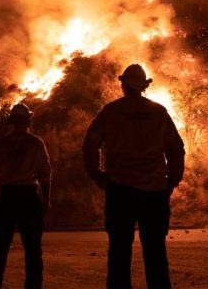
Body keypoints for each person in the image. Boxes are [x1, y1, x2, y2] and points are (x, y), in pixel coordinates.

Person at [83, 64, 185, 289]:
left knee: (119, 252)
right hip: (155, 192)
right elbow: (176, 148)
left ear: (123, 85)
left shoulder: (111, 111)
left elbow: (90, 145)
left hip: (120, 191)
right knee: (156, 253)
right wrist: (172, 181)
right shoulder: (158, 111)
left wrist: (98, 176)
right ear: (143, 86)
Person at [0, 103, 51, 289]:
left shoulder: (1, 144)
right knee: (32, 251)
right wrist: (46, 199)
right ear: (28, 120)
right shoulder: (36, 143)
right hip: (28, 197)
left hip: (7, 196)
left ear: (12, 121)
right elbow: (45, 174)